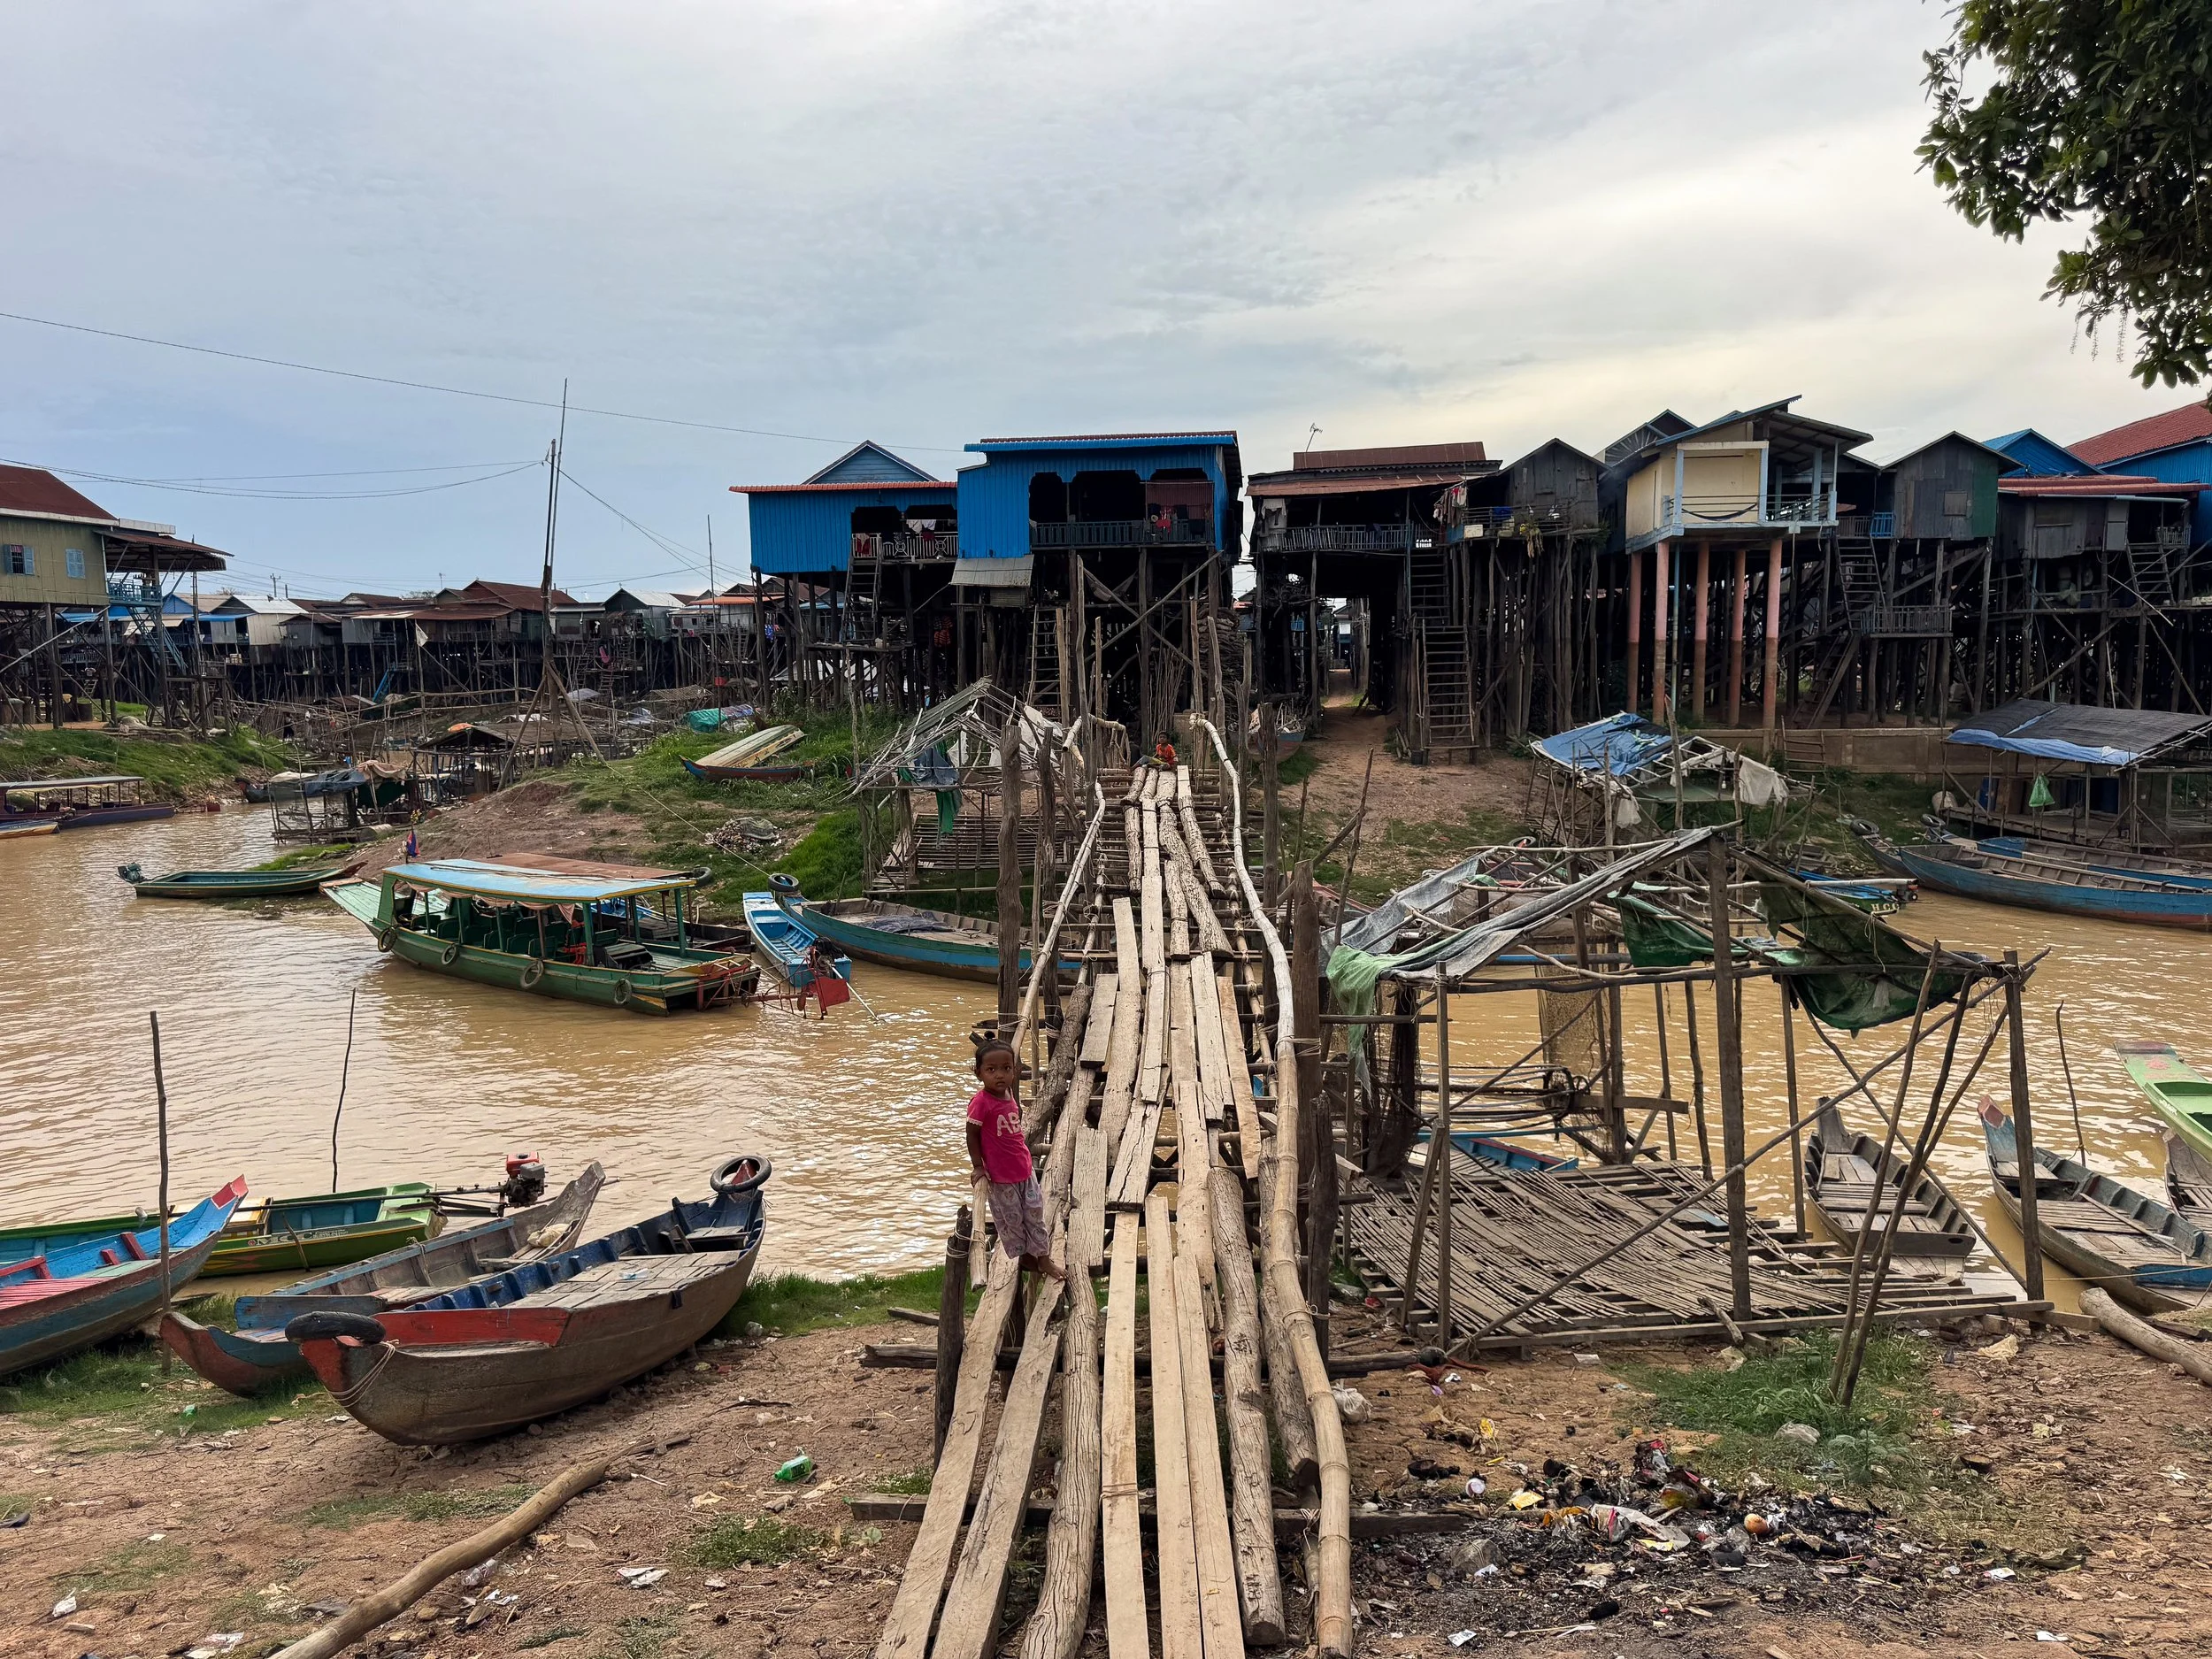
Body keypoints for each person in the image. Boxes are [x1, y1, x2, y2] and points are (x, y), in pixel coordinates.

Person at [964, 1038, 1064, 1282]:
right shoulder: (980, 1103)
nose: (999, 1075)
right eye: (991, 1070)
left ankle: (1043, 1258)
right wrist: (979, 1166)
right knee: (1012, 1222)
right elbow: (971, 1134)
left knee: (1035, 1215)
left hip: (1024, 1169)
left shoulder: (1009, 1093)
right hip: (1001, 1179)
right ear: (979, 1074)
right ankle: (1025, 1259)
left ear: (1015, 1071)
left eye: (1006, 1069)